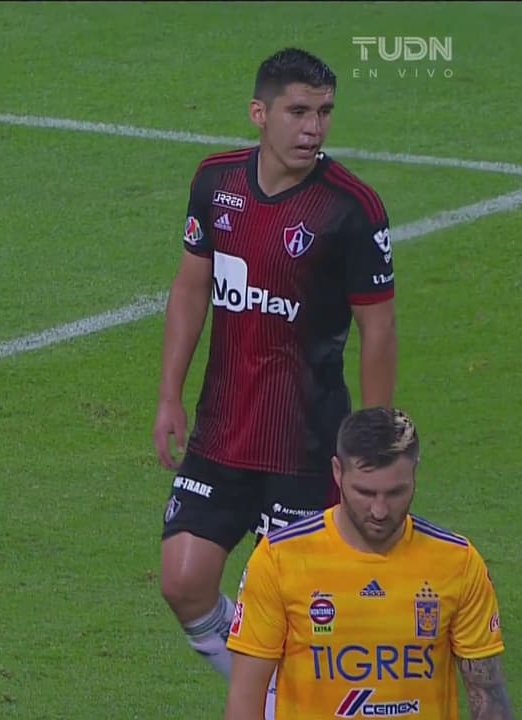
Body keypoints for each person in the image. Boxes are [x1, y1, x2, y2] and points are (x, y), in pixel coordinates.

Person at [152, 47, 399, 714]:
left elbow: (378, 329)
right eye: (298, 111)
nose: (314, 127)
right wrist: (170, 395)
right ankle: (277, 699)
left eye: (324, 112)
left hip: (305, 444)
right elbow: (191, 287)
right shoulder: (215, 181)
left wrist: (374, 445)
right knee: (183, 582)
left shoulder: (350, 209)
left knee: (293, 611)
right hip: (221, 432)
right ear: (259, 113)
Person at [225, 407, 512, 719]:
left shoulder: (457, 563)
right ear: (337, 472)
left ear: (415, 472)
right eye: (365, 492)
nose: (379, 510)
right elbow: (244, 699)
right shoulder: (280, 559)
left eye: (395, 492)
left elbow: (488, 697)